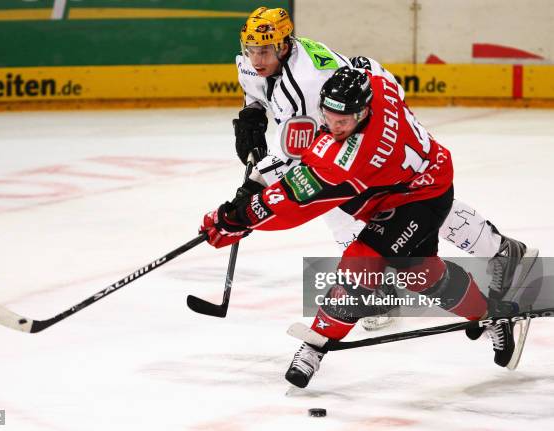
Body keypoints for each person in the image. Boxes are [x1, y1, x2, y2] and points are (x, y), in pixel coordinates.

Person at [200, 66, 531, 388]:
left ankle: (315, 346)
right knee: (422, 275)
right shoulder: (377, 86)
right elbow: (364, 67)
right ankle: (492, 314)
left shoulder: (351, 157)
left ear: (361, 114)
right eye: (328, 115)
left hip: (420, 197)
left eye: (342, 120)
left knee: (361, 263)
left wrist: (235, 219)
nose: (333, 125)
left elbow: (291, 204)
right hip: (410, 183)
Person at [231, 7, 535, 331]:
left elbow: (299, 154)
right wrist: (251, 115)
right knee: (400, 203)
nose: (257, 58)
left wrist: (255, 185)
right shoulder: (258, 63)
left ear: (283, 45)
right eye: (252, 50)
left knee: (405, 197)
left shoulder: (305, 82)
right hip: (346, 123)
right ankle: (498, 250)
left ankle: (385, 288)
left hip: (367, 126)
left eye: (264, 50)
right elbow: (258, 95)